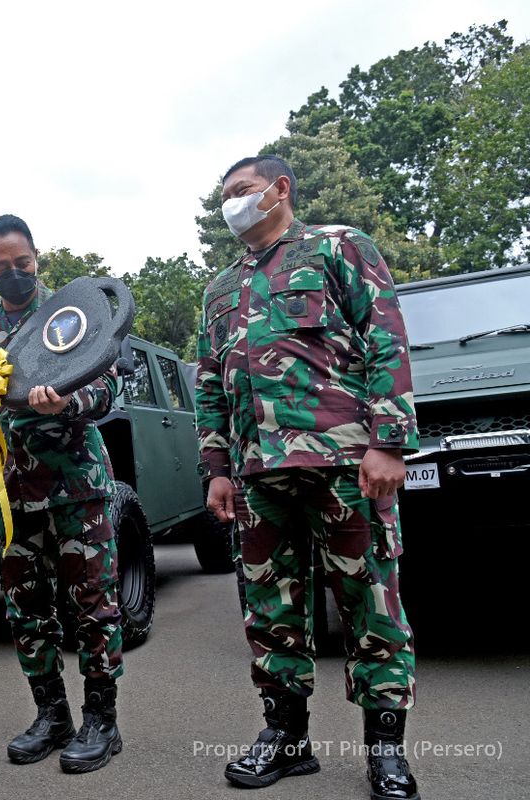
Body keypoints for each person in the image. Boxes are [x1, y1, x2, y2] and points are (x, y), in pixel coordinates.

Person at [197, 154, 419, 800]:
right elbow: (211, 386)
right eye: (225, 196)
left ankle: (386, 752)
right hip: (258, 475)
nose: (232, 204)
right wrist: (217, 470)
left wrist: (389, 443)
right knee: (271, 611)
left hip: (347, 464)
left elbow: (386, 339)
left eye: (243, 190)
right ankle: (287, 740)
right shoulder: (217, 291)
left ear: (280, 189)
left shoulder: (338, 247)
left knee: (371, 605)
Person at [0, 214, 123, 773]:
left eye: (23, 264)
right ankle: (52, 714)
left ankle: (102, 722)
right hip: (13, 495)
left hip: (77, 487)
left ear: (38, 257)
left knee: (93, 609)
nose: (14, 275)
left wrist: (68, 402)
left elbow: (109, 386)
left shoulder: (72, 313)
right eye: (1, 267)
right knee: (26, 612)